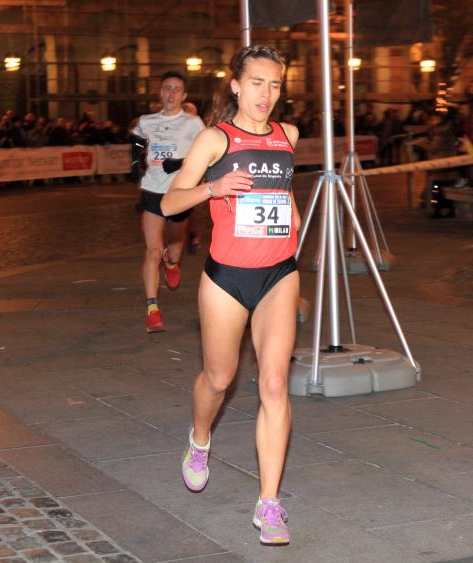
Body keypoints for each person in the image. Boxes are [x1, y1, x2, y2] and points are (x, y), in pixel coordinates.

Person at [161, 44, 300, 546]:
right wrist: (213, 190)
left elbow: (283, 192)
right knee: (219, 378)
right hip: (227, 277)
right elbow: (172, 199)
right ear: (237, 86)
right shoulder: (215, 140)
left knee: (275, 384)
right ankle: (200, 439)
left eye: (276, 84)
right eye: (258, 83)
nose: (267, 94)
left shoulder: (289, 135)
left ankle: (270, 504)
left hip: (280, 273)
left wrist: (293, 224)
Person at [132, 70, 205, 332]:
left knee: (173, 249)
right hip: (152, 191)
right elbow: (138, 144)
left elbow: (206, 154)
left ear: (183, 96)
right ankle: (152, 309)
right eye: (167, 88)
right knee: (152, 251)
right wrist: (134, 166)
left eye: (176, 89)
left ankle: (172, 262)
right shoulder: (146, 121)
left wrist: (181, 162)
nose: (171, 93)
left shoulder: (193, 124)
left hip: (179, 194)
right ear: (160, 93)